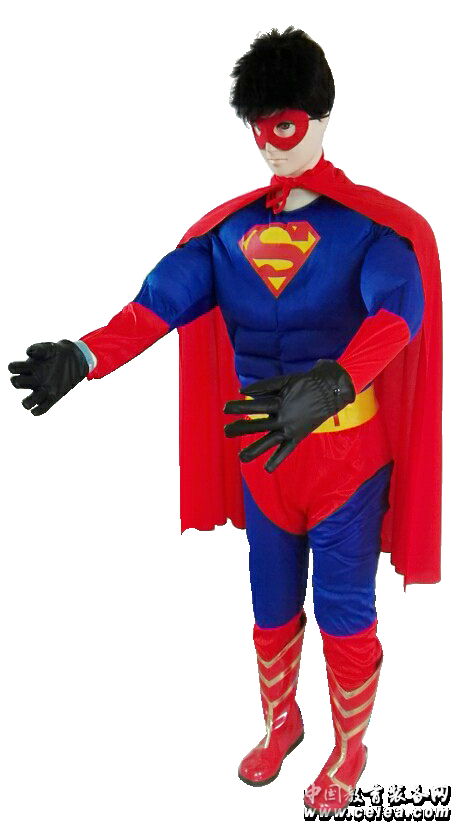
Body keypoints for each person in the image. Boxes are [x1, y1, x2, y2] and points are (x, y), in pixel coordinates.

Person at [8, 27, 442, 813]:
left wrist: (333, 383)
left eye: (285, 123)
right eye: (257, 125)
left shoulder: (372, 232)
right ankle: (283, 722)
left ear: (321, 117)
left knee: (345, 612)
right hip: (263, 460)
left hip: (345, 461)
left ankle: (350, 747)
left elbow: (398, 314)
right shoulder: (227, 234)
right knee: (269, 607)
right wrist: (84, 352)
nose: (270, 142)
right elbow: (154, 307)